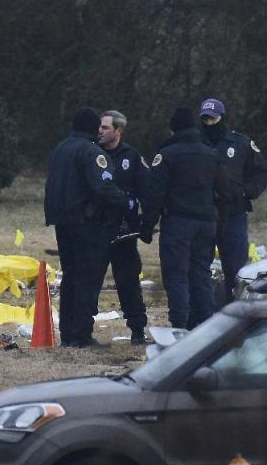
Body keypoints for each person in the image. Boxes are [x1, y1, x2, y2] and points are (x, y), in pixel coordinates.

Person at [141, 107, 236, 329]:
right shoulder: (211, 155)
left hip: (178, 223)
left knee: (176, 275)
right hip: (205, 224)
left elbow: (155, 195)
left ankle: (180, 324)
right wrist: (219, 226)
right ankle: (204, 325)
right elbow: (225, 194)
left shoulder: (167, 155)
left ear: (173, 129)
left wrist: (147, 226)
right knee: (201, 274)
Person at [45, 107, 128, 347]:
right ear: (92, 128)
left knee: (70, 276)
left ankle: (68, 333)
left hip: (62, 221)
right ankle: (81, 335)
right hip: (87, 223)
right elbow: (102, 187)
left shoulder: (60, 148)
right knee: (87, 278)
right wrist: (125, 202)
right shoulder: (91, 151)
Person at [198, 98, 267, 301]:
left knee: (235, 267)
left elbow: (260, 171)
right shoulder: (195, 143)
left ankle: (234, 312)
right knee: (200, 265)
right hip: (204, 213)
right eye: (205, 119)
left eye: (213, 119)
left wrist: (247, 191)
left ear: (221, 117)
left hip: (233, 212)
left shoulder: (241, 143)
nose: (209, 123)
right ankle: (203, 313)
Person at [98, 110, 149, 344]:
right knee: (90, 281)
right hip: (97, 229)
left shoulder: (132, 156)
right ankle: (82, 330)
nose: (100, 130)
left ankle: (138, 330)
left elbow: (147, 187)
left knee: (129, 283)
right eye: (100, 127)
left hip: (124, 232)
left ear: (118, 131)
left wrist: (142, 217)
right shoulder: (92, 153)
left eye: (105, 127)